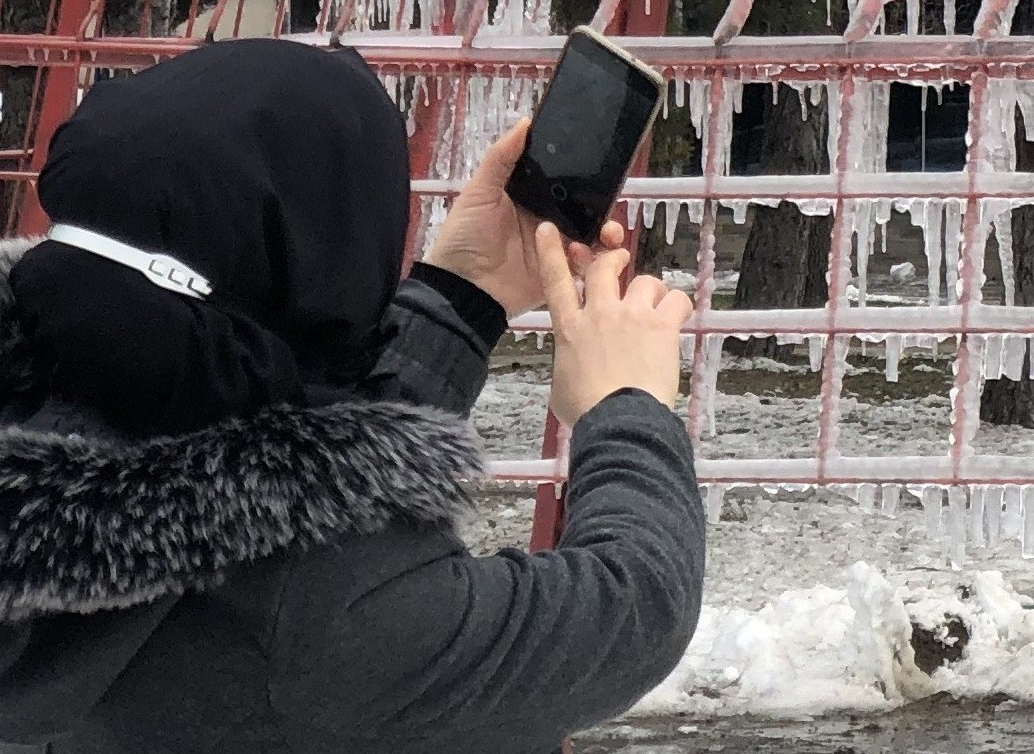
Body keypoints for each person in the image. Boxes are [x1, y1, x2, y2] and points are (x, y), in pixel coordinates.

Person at [0, 38, 703, 754]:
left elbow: (263, 431)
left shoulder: (49, 424)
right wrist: (626, 404)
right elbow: (637, 606)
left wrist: (465, 293)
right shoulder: (324, 614)